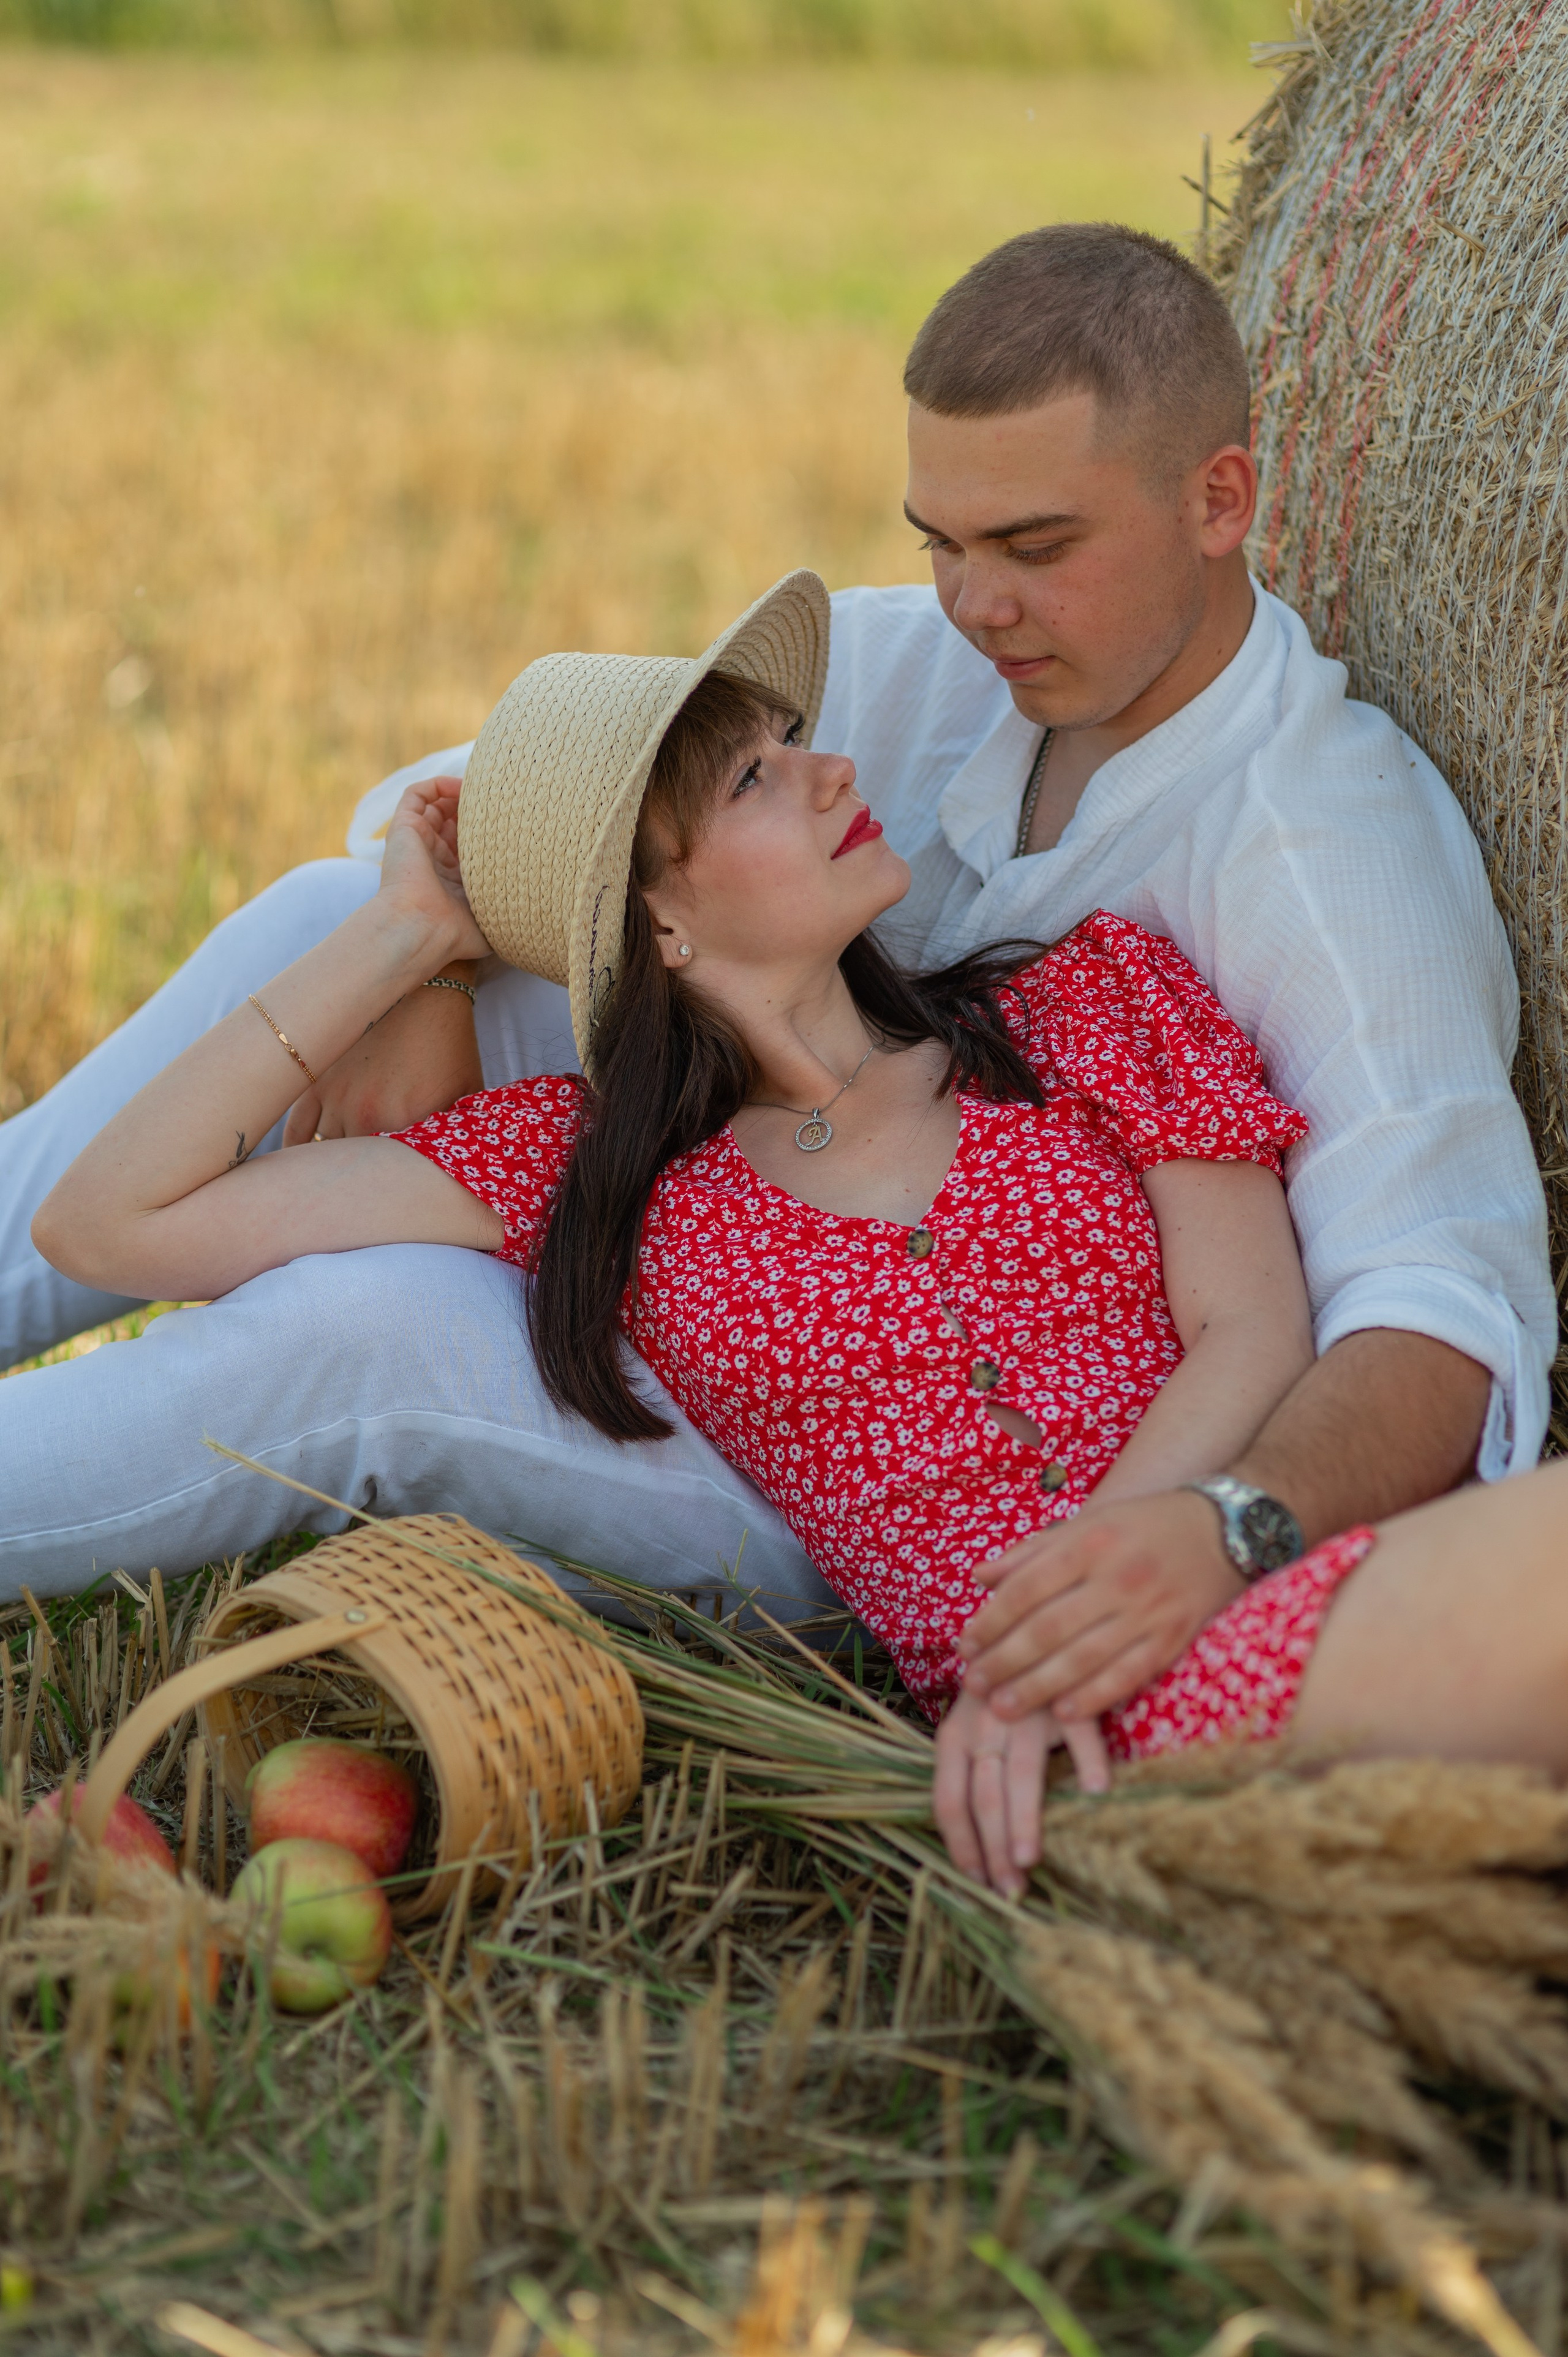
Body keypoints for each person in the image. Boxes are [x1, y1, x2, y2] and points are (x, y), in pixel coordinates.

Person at [0, 227, 1552, 1729]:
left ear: (1219, 499)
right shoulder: (936, 663)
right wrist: (425, 968)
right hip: (741, 1283)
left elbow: (1437, 1316)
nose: (973, 605)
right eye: (937, 543)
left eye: (1033, 548)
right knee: (312, 926)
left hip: (942, 1513)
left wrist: (1207, 1536)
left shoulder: (1322, 871)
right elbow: (527, 805)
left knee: (371, 1323)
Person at [1, 573, 1425, 1888]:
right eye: (760, 775)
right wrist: (403, 941)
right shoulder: (590, 1161)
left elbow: (1249, 1328)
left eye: (792, 744)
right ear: (659, 918)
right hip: (1113, 1694)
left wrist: (1100, 1587)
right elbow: (107, 1222)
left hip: (1243, 1569)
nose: (838, 773)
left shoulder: (1081, 1004)